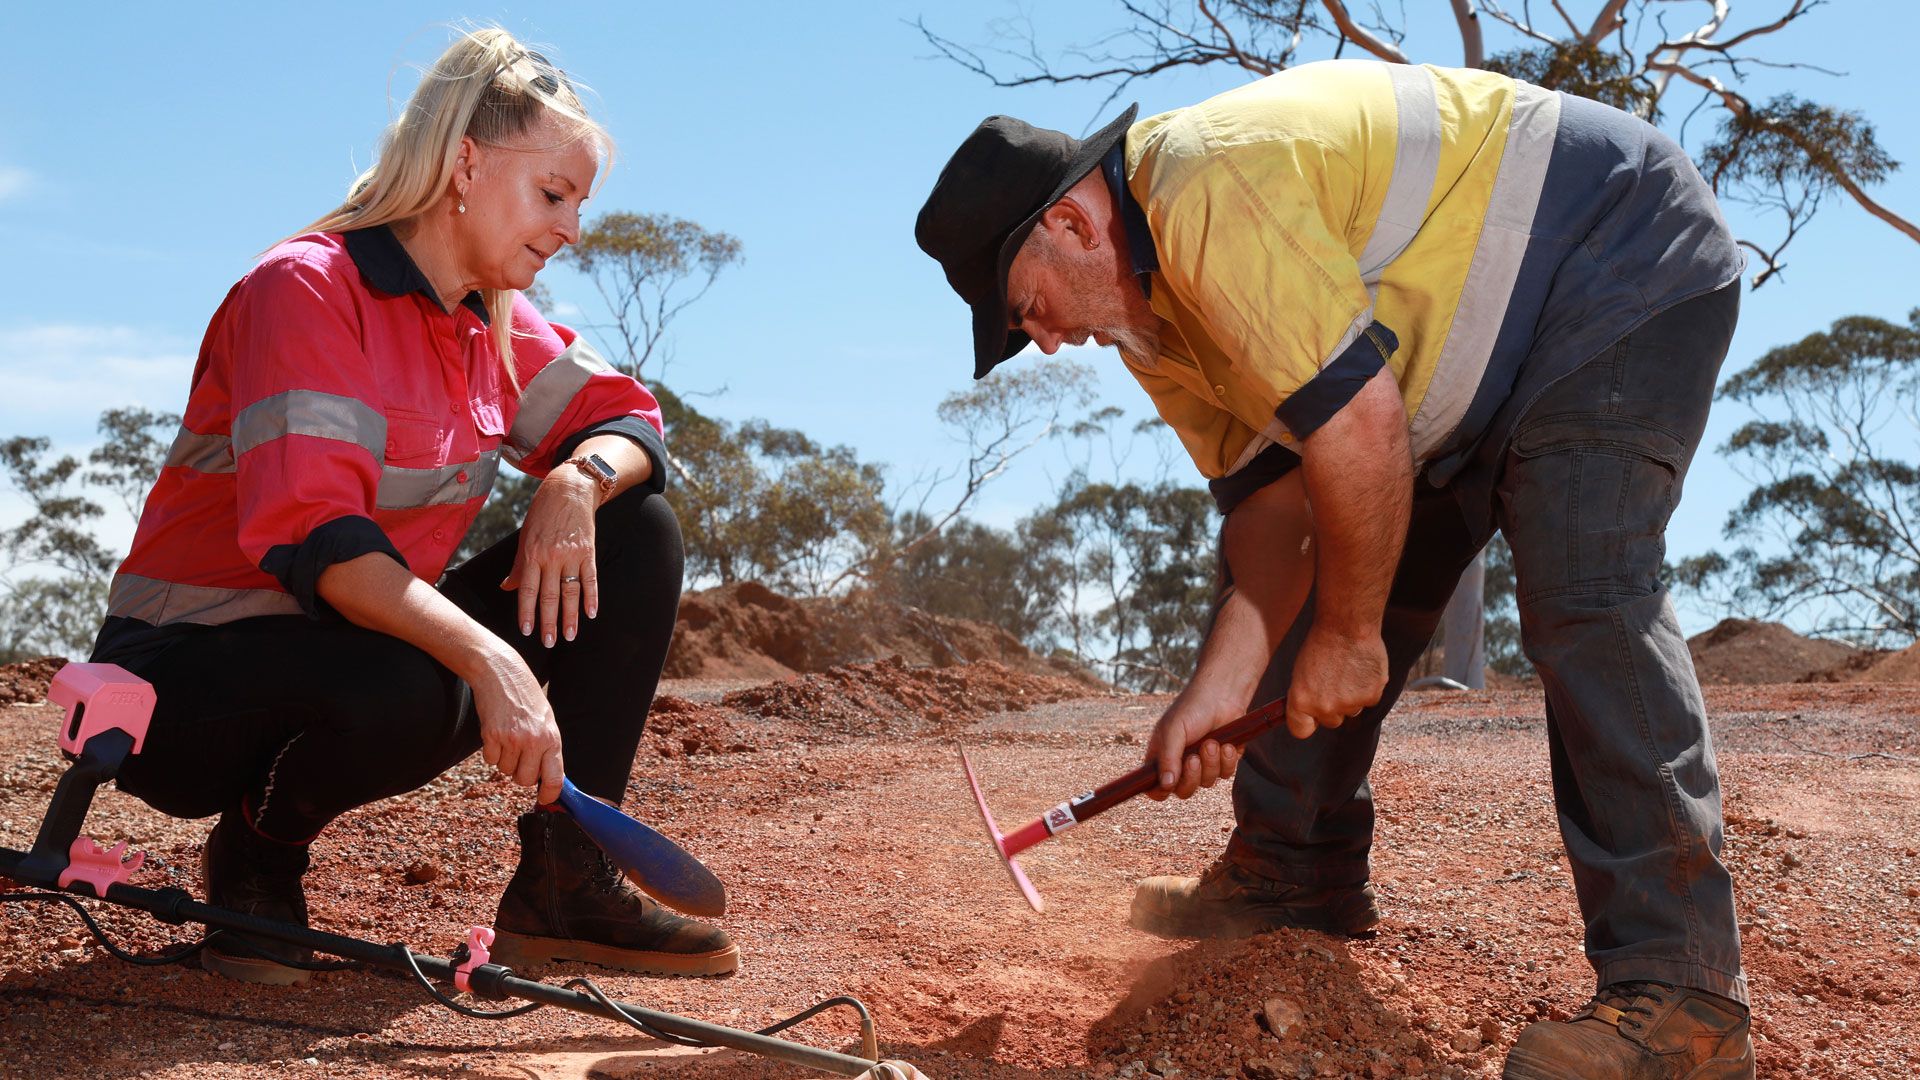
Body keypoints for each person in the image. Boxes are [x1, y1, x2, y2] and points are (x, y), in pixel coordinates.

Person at [917, 59, 1752, 1079]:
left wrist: (1350, 637)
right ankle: (1291, 874)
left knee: (1582, 579)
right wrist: (1212, 699)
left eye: (1026, 308)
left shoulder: (1203, 186)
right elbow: (1276, 520)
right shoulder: (1155, 330)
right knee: (1353, 562)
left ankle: (1685, 1003)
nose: (1042, 343)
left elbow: (1358, 426)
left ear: (1074, 226)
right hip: (1445, 380)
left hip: (1615, 249)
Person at [89, 28, 736, 985]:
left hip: (351, 648)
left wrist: (574, 482)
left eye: (580, 204)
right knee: (418, 679)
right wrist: (490, 658)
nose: (571, 227)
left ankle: (567, 875)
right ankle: (256, 859)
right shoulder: (304, 290)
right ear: (465, 163)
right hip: (178, 683)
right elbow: (322, 541)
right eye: (553, 194)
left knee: (637, 530)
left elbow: (630, 419)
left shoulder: (489, 320)